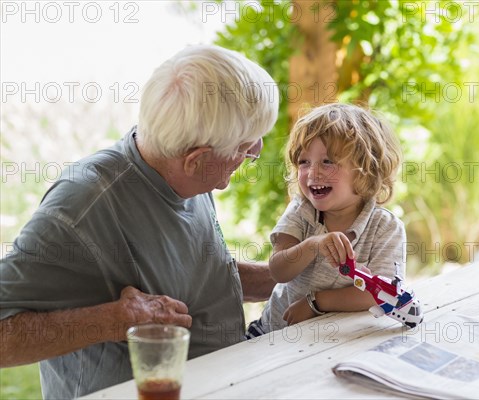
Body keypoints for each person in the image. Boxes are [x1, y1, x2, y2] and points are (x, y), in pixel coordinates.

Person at [0, 44, 278, 399]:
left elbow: (199, 276)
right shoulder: (83, 208)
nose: (254, 152)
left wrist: (296, 276)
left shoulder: (187, 176)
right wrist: (113, 320)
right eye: (245, 147)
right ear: (196, 159)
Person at [246, 103, 406, 337]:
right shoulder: (302, 212)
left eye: (327, 162)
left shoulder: (385, 228)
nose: (313, 173)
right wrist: (314, 245)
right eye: (304, 162)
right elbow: (278, 271)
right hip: (273, 334)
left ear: (366, 169)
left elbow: (382, 293)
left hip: (337, 338)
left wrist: (315, 303)